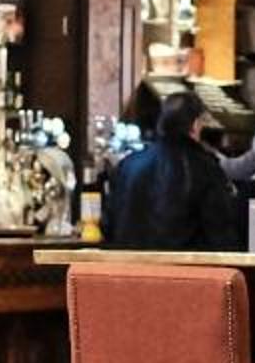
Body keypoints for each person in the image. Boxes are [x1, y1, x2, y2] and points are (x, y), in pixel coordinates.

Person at [102, 87, 242, 251]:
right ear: (196, 125)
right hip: (184, 265)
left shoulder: (128, 165)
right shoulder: (206, 167)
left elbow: (109, 223)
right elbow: (220, 231)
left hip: (129, 263)